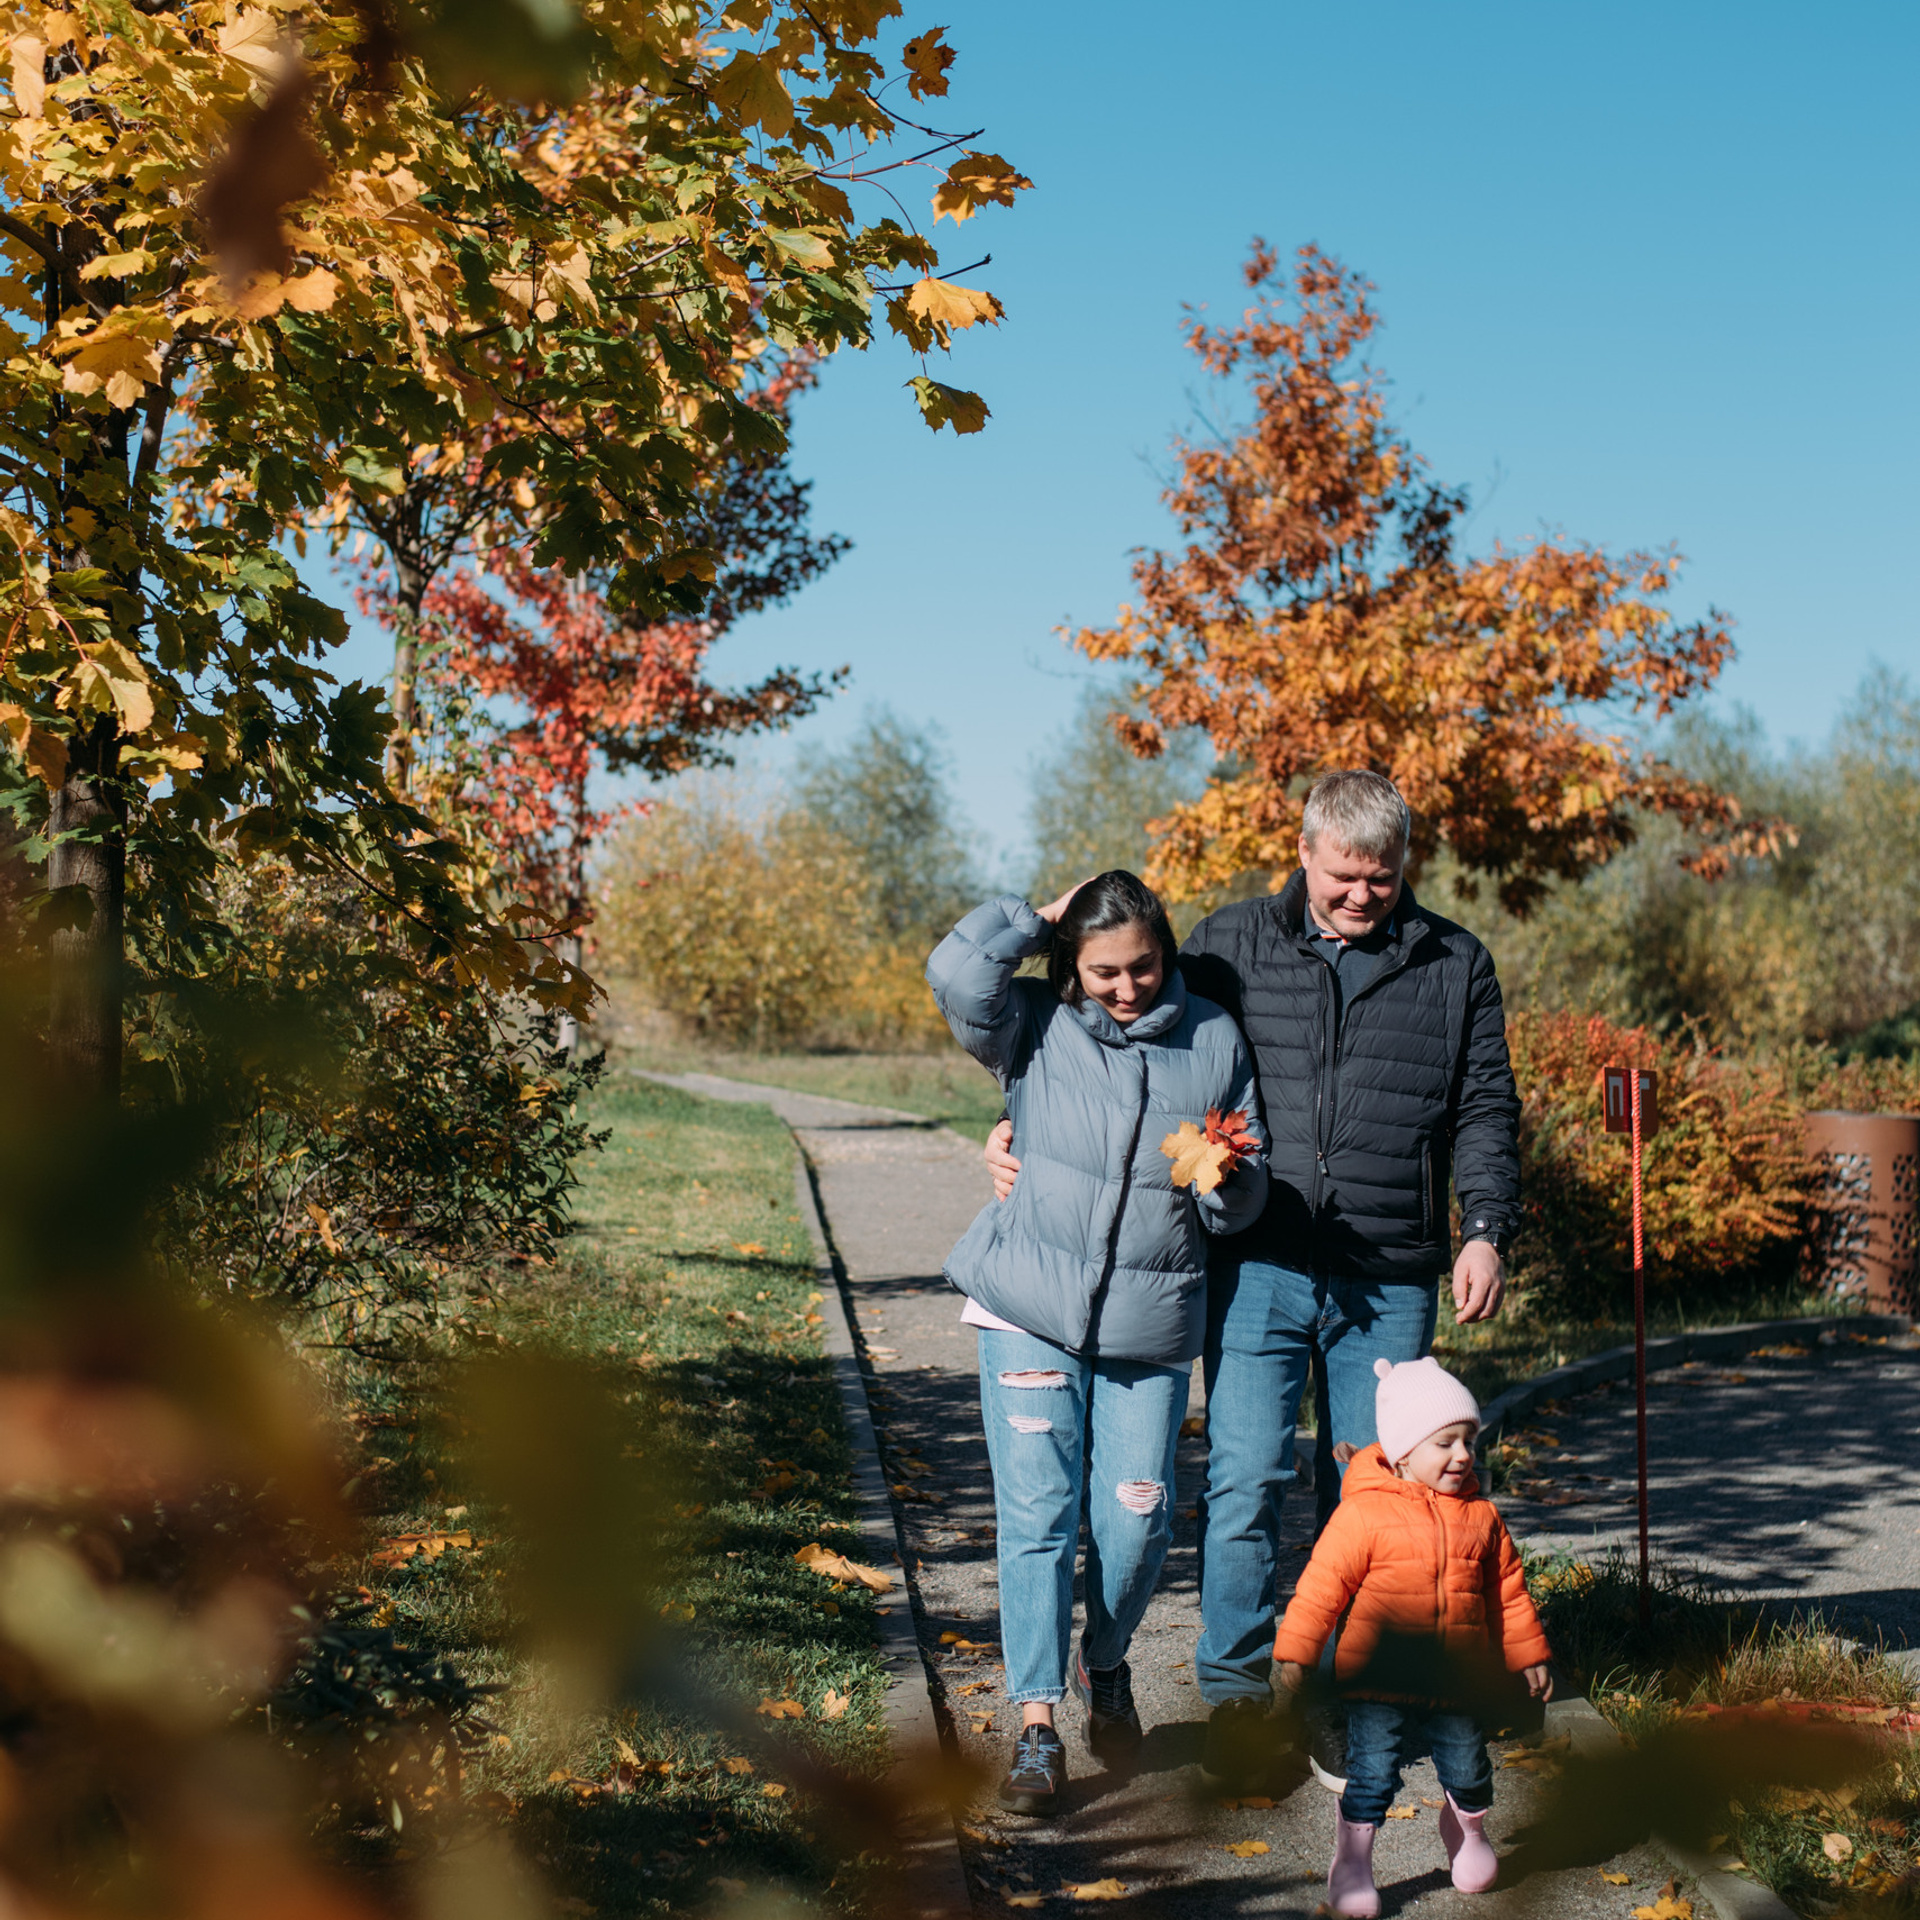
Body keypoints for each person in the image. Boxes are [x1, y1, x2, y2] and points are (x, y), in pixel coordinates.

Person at [984, 771, 1522, 1789]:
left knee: (1375, 1495)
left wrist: (1485, 1230)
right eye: (1343, 876)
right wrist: (1018, 1126)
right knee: (1243, 1484)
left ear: (1406, 866)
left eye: (1383, 877)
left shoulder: (1454, 960)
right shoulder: (1229, 944)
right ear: (1305, 852)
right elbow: (1128, 1046)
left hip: (1391, 1270)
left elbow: (1486, 1108)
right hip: (1256, 1264)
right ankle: (1235, 1694)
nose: (1363, 896)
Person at [927, 871, 1269, 1816]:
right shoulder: (1032, 1026)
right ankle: (1036, 1726)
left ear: (1168, 952)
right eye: (1104, 971)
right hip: (1028, 1309)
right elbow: (955, 975)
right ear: (1071, 968)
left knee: (1136, 1520)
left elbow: (1249, 1187)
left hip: (1150, 1331)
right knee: (1037, 1518)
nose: (1128, 988)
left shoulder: (1213, 1040)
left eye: (1145, 966)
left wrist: (1228, 1182)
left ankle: (1104, 1662)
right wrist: (1033, 919)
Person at [1274, 1355, 1551, 1916]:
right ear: (1402, 1452)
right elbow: (1322, 1586)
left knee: (1470, 1772)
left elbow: (1509, 1593)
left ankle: (1468, 1830)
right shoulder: (1364, 1515)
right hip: (1379, 1677)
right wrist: (1298, 1652)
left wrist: (1528, 1654)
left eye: (1468, 1442)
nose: (1463, 1456)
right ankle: (1353, 1859)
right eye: (1445, 1442)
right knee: (1372, 1772)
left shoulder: (1481, 1516)